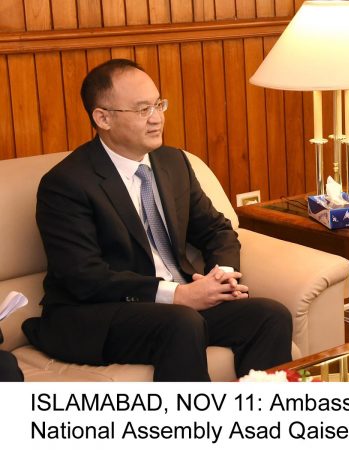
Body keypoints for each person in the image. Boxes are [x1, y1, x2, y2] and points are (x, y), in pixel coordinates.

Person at [23, 59, 293, 381]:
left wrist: (221, 277)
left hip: (177, 308)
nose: (157, 118)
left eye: (158, 104)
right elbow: (83, 276)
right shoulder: (67, 183)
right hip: (100, 313)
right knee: (182, 322)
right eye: (143, 110)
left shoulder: (172, 162)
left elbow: (216, 229)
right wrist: (176, 295)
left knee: (270, 315)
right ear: (103, 118)